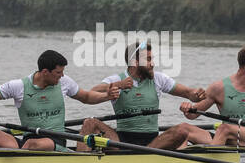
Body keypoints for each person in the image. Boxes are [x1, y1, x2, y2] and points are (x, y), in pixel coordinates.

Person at [78, 42, 212, 150]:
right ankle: (79, 162)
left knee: (182, 130)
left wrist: (197, 95)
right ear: (135, 63)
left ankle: (150, 153)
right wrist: (118, 85)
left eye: (152, 59)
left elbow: (188, 93)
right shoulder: (116, 79)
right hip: (121, 141)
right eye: (148, 60)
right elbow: (92, 93)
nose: (152, 63)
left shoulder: (158, 79)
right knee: (90, 123)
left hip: (152, 142)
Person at [0, 50, 119, 150]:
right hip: (28, 140)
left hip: (55, 140)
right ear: (45, 72)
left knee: (33, 144)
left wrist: (106, 96)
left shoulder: (64, 82)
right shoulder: (19, 86)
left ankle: (15, 162)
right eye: (58, 72)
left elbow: (86, 97)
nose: (62, 76)